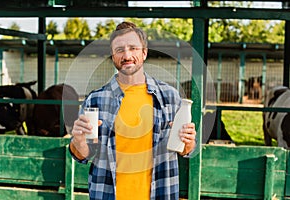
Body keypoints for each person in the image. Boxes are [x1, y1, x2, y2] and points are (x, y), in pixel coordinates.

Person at [69, 21, 197, 200]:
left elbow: (187, 150)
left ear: (144, 52)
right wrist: (78, 141)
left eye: (133, 48)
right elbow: (82, 155)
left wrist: (189, 141)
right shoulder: (96, 100)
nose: (127, 55)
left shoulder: (170, 97)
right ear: (113, 56)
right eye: (120, 50)